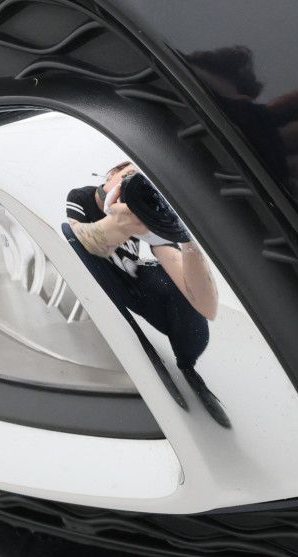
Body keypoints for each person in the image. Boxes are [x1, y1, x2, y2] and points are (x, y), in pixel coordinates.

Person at [63, 163, 229, 427]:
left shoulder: (147, 214)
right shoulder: (82, 197)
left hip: (135, 282)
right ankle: (140, 345)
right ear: (111, 174)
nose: (131, 187)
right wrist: (119, 223)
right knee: (71, 235)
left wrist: (185, 238)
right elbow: (80, 240)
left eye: (145, 184)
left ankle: (188, 366)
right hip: (103, 280)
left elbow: (206, 306)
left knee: (174, 285)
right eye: (129, 176)